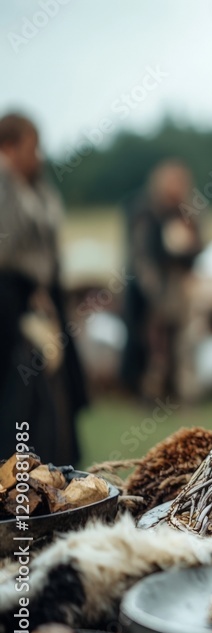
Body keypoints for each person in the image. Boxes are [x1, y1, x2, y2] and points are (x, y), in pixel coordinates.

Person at [0, 112, 88, 464]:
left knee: (54, 390)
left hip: (38, 298)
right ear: (9, 147)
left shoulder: (33, 186)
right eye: (31, 148)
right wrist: (30, 287)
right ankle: (21, 478)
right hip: (10, 303)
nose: (37, 157)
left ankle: (55, 466)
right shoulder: (4, 187)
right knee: (22, 395)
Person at [120, 159, 202, 400]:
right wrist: (154, 290)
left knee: (179, 341)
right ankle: (147, 391)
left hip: (178, 287)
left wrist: (188, 250)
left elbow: (197, 247)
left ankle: (177, 390)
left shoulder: (188, 212)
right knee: (152, 342)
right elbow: (141, 255)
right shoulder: (145, 212)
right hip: (150, 289)